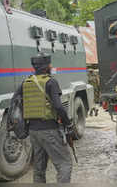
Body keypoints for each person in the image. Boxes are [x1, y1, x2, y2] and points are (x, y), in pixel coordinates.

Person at [11, 53, 73, 183]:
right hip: (49, 130)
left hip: (33, 132)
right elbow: (59, 107)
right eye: (50, 64)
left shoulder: (26, 82)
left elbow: (14, 102)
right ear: (47, 67)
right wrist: (68, 124)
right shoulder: (50, 82)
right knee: (64, 164)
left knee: (39, 169)